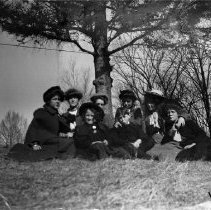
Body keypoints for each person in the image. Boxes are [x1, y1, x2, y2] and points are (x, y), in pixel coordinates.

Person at [8, 86, 74, 161]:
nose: (58, 101)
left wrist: (66, 134)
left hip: (53, 141)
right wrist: (34, 144)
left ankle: (66, 156)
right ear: (49, 101)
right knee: (68, 143)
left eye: (59, 99)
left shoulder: (56, 115)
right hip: (43, 143)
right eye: (55, 99)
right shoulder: (42, 113)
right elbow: (33, 130)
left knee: (70, 142)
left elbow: (57, 131)